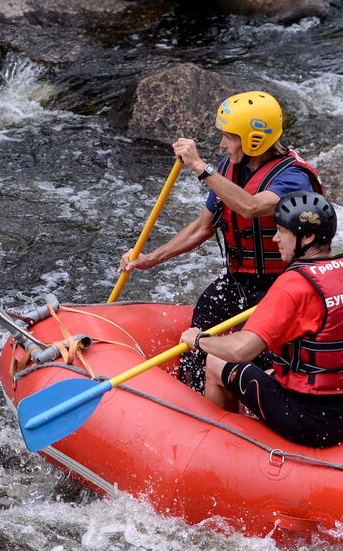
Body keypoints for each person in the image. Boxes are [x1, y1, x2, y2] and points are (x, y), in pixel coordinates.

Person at [118, 91, 324, 391]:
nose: (222, 144)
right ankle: (194, 394)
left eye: (229, 137)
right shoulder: (229, 168)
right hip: (238, 278)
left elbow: (251, 206)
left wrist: (201, 168)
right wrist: (151, 259)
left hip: (282, 285)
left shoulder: (293, 178)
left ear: (255, 140)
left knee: (260, 354)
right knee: (202, 324)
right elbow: (202, 228)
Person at [179, 191, 343, 448]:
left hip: (309, 422)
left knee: (216, 361)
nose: (275, 238)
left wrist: (198, 340)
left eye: (282, 231)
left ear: (307, 237)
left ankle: (219, 448)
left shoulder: (295, 283)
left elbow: (240, 350)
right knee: (269, 369)